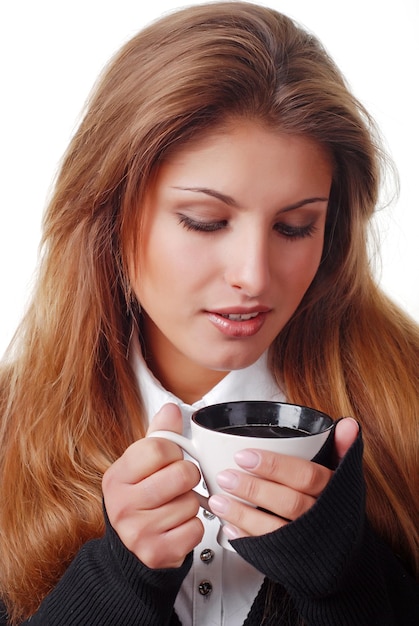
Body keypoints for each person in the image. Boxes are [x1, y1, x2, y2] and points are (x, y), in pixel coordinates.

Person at [0, 2, 418, 624]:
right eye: (205, 220)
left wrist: (349, 588)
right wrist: (116, 586)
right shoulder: (10, 432)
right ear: (109, 210)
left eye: (295, 226)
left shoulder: (407, 405)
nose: (253, 275)